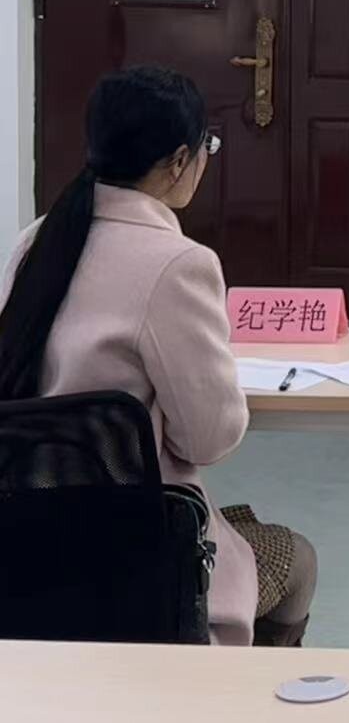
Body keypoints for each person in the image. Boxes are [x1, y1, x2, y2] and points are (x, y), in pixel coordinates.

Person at [0, 67, 316, 646]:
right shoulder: (178, 264)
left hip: (26, 554)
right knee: (296, 558)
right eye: (206, 150)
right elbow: (209, 440)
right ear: (178, 162)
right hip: (139, 567)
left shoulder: (35, 241)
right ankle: (230, 689)